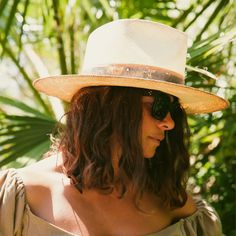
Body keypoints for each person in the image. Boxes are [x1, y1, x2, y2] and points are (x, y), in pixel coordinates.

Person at [0, 19, 228, 236]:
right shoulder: (18, 200)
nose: (169, 123)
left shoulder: (177, 207)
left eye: (174, 109)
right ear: (111, 104)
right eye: (159, 106)